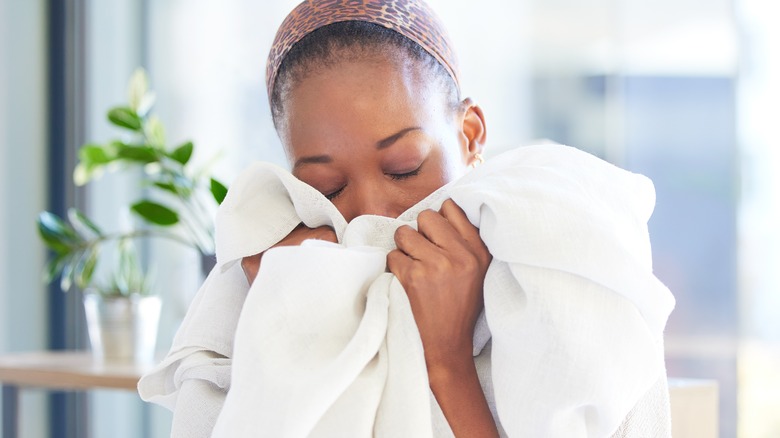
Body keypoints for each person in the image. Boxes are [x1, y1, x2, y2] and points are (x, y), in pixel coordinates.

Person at [139, 1, 675, 437]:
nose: (372, 212)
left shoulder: (569, 278)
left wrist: (447, 362)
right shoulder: (264, 286)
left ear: (469, 135)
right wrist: (290, 329)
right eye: (329, 187)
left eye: (404, 168)